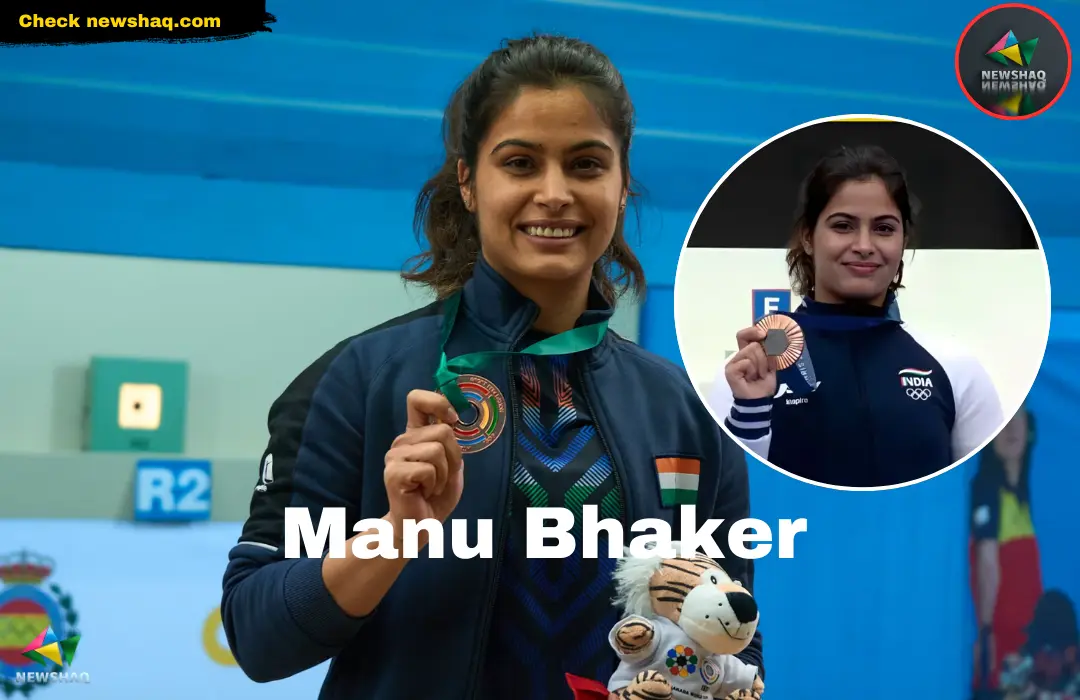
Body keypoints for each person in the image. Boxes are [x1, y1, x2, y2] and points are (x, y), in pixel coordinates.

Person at [219, 34, 764, 700]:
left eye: (587, 165)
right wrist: (392, 538)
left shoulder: (684, 411)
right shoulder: (357, 381)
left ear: (622, 187)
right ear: (469, 183)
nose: (555, 193)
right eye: (521, 163)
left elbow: (733, 634)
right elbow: (257, 636)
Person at [707, 144, 1004, 488]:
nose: (864, 244)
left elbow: (983, 490)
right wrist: (751, 411)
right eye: (843, 225)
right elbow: (729, 496)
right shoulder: (752, 371)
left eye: (884, 228)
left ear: (903, 240)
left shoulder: (956, 369)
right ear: (807, 236)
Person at [969, 406, 1043, 696]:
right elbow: (987, 563)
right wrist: (987, 635)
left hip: (1028, 649)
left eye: (1019, 419)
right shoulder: (987, 488)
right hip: (1003, 652)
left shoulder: (1021, 497)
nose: (1012, 430)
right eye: (1003, 423)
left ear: (1030, 430)